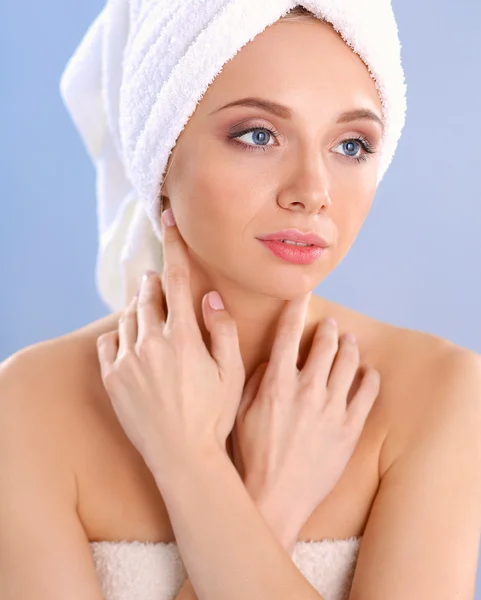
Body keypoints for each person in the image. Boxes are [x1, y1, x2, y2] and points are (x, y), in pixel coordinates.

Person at [1, 3, 481, 600]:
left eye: (352, 145)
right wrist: (261, 503)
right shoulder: (27, 407)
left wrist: (194, 468)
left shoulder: (439, 393)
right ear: (161, 149)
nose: (312, 192)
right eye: (259, 135)